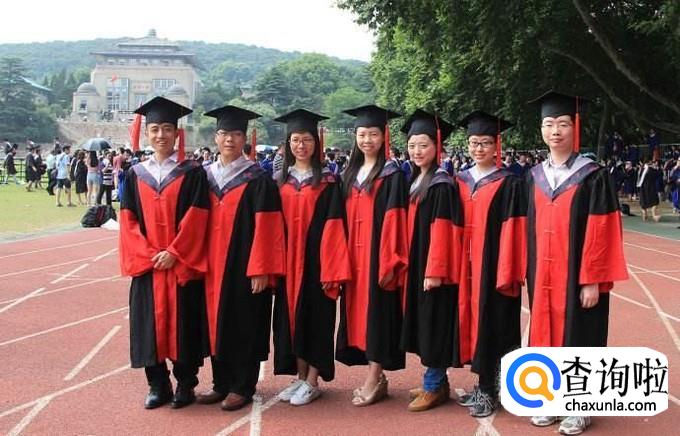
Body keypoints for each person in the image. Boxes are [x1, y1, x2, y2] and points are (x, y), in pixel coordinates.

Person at [526, 91, 628, 434]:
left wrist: (592, 279)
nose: (555, 131)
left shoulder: (593, 175)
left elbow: (602, 230)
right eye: (549, 124)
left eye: (563, 124)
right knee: (544, 334)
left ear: (575, 127)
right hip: (543, 275)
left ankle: (580, 407)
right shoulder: (533, 176)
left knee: (581, 335)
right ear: (541, 129)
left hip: (577, 275)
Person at [119, 96, 210, 410]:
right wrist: (148, 254)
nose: (161, 135)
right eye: (155, 129)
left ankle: (186, 384)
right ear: (147, 133)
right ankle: (158, 385)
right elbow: (127, 219)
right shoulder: (135, 174)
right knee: (148, 327)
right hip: (149, 267)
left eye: (167, 129)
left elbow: (198, 217)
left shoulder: (193, 172)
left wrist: (175, 251)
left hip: (180, 265)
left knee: (185, 325)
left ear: (177, 133)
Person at [197, 105, 286, 411]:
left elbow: (268, 226)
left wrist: (262, 268)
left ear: (244, 138)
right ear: (215, 137)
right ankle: (220, 383)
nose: (229, 140)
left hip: (244, 265)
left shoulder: (257, 178)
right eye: (224, 134)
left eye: (236, 134)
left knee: (244, 322)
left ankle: (242, 385)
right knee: (215, 322)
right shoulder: (205, 176)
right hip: (211, 264)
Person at [272, 110, 352, 406]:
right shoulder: (279, 180)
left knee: (316, 318)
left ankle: (313, 380)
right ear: (288, 143)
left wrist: (331, 269)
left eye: (306, 139)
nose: (301, 145)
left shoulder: (328, 181)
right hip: (287, 262)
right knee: (290, 319)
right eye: (296, 140)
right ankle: (300, 376)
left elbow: (334, 226)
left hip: (316, 263)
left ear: (316, 143)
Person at [454, 111, 527, 417]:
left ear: (497, 145)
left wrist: (508, 270)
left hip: (495, 267)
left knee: (494, 324)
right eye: (474, 142)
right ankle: (485, 386)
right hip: (467, 266)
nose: (479, 148)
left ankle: (490, 388)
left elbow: (515, 228)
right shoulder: (460, 180)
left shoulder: (509, 182)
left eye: (485, 142)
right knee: (472, 322)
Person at [335, 104, 407, 407]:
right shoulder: (348, 174)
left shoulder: (392, 174)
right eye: (362, 134)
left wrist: (390, 260)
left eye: (373, 134)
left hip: (377, 257)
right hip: (352, 258)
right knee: (357, 315)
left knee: (377, 315)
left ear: (384, 136)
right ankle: (375, 376)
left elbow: (395, 219)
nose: (367, 140)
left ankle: (375, 377)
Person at [398, 110, 463, 412]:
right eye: (412, 145)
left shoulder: (441, 184)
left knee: (434, 323)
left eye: (423, 145)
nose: (417, 151)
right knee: (424, 323)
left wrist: (435, 270)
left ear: (437, 146)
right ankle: (437, 382)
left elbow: (443, 230)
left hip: (433, 270)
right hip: (418, 265)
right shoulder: (416, 179)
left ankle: (433, 384)